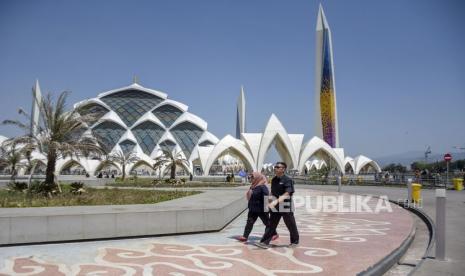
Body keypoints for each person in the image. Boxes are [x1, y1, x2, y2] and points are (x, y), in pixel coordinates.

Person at [256, 162, 299, 249]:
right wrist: (269, 201)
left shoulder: (287, 180)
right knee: (271, 224)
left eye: (277, 167)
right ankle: (264, 242)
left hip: (285, 205)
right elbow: (272, 192)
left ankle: (294, 241)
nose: (275, 168)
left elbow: (287, 193)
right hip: (275, 205)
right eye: (275, 167)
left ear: (283, 169)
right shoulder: (274, 179)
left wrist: (276, 202)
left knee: (290, 224)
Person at [237, 172, 278, 242]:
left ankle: (274, 234)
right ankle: (245, 236)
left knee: (267, 223)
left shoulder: (262, 187)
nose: (250, 179)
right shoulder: (253, 186)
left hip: (261, 209)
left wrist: (267, 209)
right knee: (249, 222)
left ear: (257, 178)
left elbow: (266, 198)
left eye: (252, 177)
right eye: (250, 177)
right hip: (252, 209)